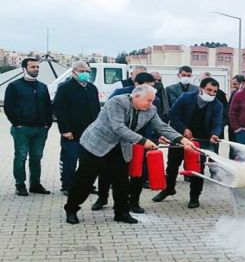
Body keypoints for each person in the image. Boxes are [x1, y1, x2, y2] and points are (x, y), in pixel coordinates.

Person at [64, 84, 195, 225]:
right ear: (136, 96)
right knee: (85, 180)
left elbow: (162, 126)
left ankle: (121, 213)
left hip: (121, 147)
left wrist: (182, 139)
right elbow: (119, 127)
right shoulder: (117, 102)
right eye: (149, 100)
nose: (151, 104)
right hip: (96, 145)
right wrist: (143, 141)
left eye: (152, 101)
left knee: (122, 182)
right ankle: (71, 209)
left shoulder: (151, 109)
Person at [92, 72, 159, 214]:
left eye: (152, 87)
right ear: (137, 85)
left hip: (142, 141)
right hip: (116, 140)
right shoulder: (119, 96)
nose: (151, 91)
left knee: (138, 173)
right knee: (106, 171)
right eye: (147, 86)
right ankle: (102, 198)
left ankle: (134, 202)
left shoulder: (152, 99)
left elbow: (157, 121)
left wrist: (154, 137)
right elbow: (113, 119)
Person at [152, 78, 223, 208]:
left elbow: (217, 123)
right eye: (209, 90)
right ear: (201, 88)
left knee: (197, 169)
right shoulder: (186, 97)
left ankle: (194, 197)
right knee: (172, 165)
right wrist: (183, 129)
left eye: (215, 91)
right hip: (179, 137)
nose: (212, 94)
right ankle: (168, 189)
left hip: (200, 142)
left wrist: (214, 134)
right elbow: (173, 115)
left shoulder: (217, 105)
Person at [3, 58, 53, 196]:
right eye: (33, 67)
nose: (36, 69)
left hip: (40, 129)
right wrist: (17, 123)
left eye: (37, 67)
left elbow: (48, 107)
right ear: (24, 68)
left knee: (36, 157)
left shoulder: (42, 86)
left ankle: (35, 184)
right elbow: (8, 106)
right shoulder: (14, 86)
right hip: (22, 129)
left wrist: (47, 124)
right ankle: (20, 184)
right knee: (21, 157)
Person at [53, 61, 101, 195]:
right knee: (69, 159)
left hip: (90, 132)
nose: (85, 74)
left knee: (87, 161)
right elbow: (60, 110)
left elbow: (96, 109)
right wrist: (65, 130)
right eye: (82, 71)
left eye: (87, 71)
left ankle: (85, 184)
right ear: (74, 72)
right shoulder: (65, 87)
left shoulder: (91, 88)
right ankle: (68, 185)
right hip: (72, 132)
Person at [227, 75, 245, 159]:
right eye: (232, 84)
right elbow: (230, 109)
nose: (233, 86)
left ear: (242, 83)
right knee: (232, 147)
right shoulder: (233, 93)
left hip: (243, 126)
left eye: (235, 84)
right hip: (232, 126)